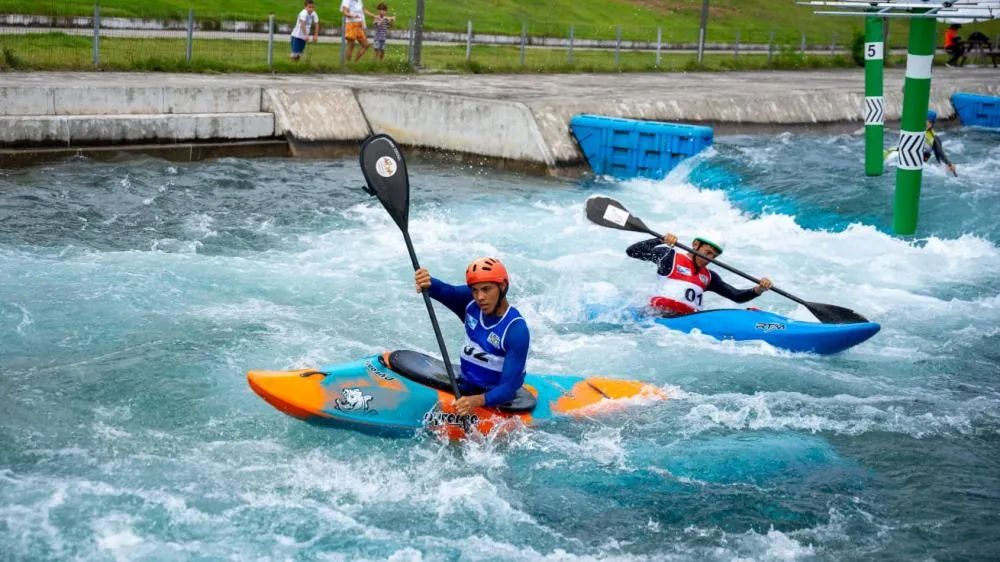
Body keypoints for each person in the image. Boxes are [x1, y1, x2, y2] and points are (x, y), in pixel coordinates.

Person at [414, 258, 530, 416]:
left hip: (494, 398)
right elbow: (445, 290)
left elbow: (508, 389)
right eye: (475, 290)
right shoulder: (470, 302)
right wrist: (428, 281)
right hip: (466, 383)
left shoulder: (516, 330)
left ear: (502, 286)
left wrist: (475, 401)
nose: (480, 297)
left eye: (486, 289)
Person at [625, 230, 773, 317]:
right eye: (707, 252)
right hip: (659, 315)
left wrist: (758, 289)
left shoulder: (709, 277)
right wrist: (659, 240)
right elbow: (632, 251)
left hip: (689, 319)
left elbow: (737, 296)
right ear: (695, 245)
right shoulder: (669, 257)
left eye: (714, 256)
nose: (710, 258)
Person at [924, 110, 957, 176]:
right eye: (926, 120)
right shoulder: (915, 130)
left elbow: (941, 154)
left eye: (930, 122)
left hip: (923, 164)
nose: (927, 123)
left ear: (932, 123)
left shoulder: (934, 138)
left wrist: (949, 164)